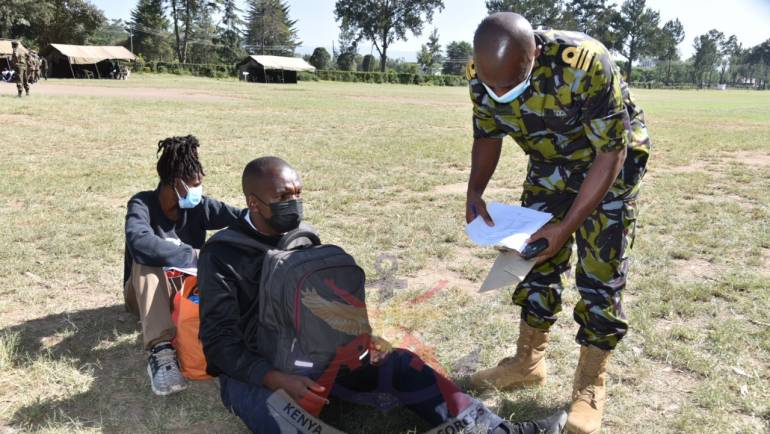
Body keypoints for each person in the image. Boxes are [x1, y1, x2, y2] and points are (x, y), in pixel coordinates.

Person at [198, 157, 567, 434]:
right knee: (282, 417)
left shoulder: (302, 237)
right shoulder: (224, 254)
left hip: (321, 362)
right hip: (260, 375)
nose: (293, 203)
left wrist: (360, 339)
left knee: (404, 364)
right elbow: (218, 344)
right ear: (254, 202)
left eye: (297, 194)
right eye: (282, 196)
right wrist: (276, 379)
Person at [464, 13, 650, 434]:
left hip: (611, 161)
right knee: (532, 253)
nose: (499, 92)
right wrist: (475, 191)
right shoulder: (481, 74)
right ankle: (528, 361)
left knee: (600, 270)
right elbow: (487, 134)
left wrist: (565, 228)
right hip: (551, 162)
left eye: (510, 83)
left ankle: (589, 385)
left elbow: (610, 153)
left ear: (536, 54)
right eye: (492, 86)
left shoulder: (584, 63)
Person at [123, 135, 242, 396]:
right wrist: (194, 255)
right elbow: (139, 243)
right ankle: (161, 351)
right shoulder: (142, 204)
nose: (199, 190)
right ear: (176, 183)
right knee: (147, 263)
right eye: (195, 184)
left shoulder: (199, 207)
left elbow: (241, 217)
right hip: (143, 294)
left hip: (185, 293)